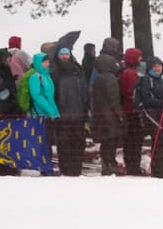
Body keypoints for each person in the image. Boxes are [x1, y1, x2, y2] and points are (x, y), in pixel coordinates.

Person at [135, 56, 163, 178]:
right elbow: (147, 98)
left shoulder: (161, 81)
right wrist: (162, 103)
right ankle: (159, 170)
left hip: (161, 114)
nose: (157, 68)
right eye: (155, 66)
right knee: (157, 141)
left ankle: (161, 169)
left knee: (161, 142)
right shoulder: (147, 80)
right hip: (151, 115)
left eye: (159, 66)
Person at [51, 47, 88, 177]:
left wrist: (85, 109)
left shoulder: (78, 70)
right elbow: (52, 94)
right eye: (62, 54)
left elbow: (84, 91)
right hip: (62, 114)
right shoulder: (55, 72)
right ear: (58, 56)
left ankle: (77, 168)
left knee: (78, 142)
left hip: (78, 113)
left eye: (67, 54)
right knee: (64, 142)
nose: (65, 56)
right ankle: (65, 169)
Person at [91, 53, 125, 175]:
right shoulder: (110, 78)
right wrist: (120, 113)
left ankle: (106, 163)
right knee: (111, 141)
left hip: (100, 114)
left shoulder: (98, 78)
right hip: (110, 115)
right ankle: (110, 163)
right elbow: (114, 98)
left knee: (105, 141)